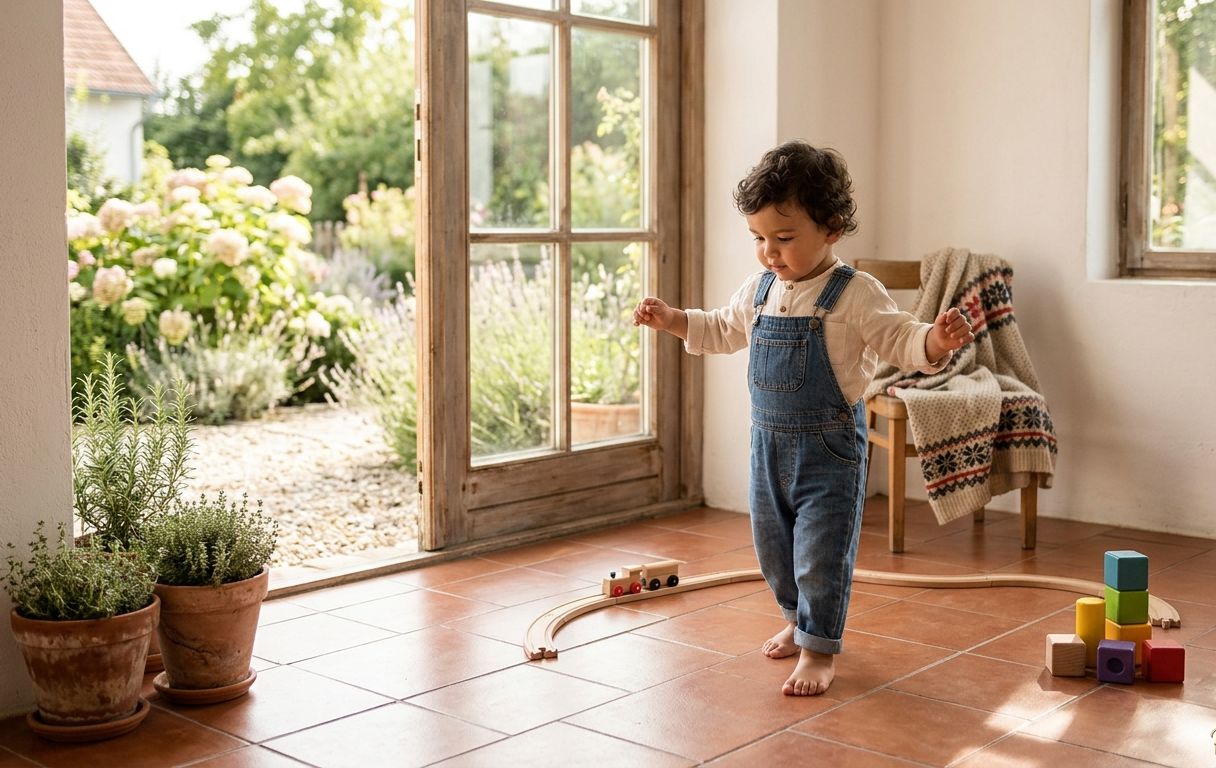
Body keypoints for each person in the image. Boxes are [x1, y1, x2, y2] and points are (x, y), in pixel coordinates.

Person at [632, 140, 974, 696]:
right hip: (766, 446)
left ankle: (819, 649)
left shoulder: (855, 293)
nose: (769, 252)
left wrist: (933, 339)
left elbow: (898, 338)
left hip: (830, 450)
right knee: (774, 545)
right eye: (760, 239)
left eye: (784, 238)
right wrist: (673, 320)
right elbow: (722, 328)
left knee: (821, 551)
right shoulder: (761, 288)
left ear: (832, 227)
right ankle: (797, 618)